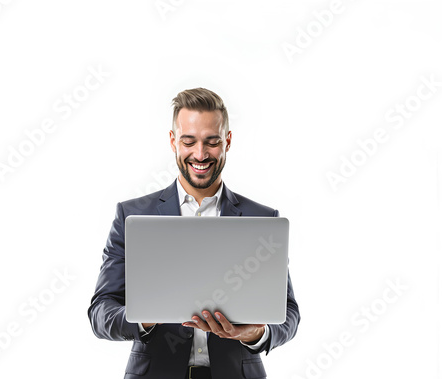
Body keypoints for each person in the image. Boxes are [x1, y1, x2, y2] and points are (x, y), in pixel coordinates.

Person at [88, 88, 300, 379]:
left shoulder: (261, 219)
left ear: (227, 141)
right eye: (189, 142)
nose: (200, 154)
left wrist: (257, 333)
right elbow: (100, 312)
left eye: (211, 142)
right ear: (174, 141)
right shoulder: (133, 216)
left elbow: (288, 314)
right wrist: (143, 319)